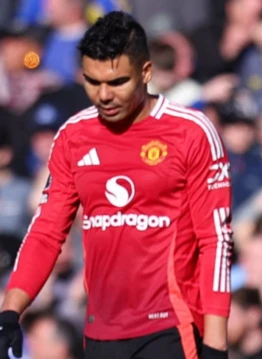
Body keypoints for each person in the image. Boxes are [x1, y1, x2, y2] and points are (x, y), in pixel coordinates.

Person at [0, 11, 233, 359]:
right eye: (93, 82)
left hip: (171, 328)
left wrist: (216, 344)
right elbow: (46, 231)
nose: (104, 95)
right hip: (99, 331)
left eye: (118, 81)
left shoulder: (191, 131)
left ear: (146, 73)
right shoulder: (73, 136)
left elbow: (215, 239)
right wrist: (10, 311)